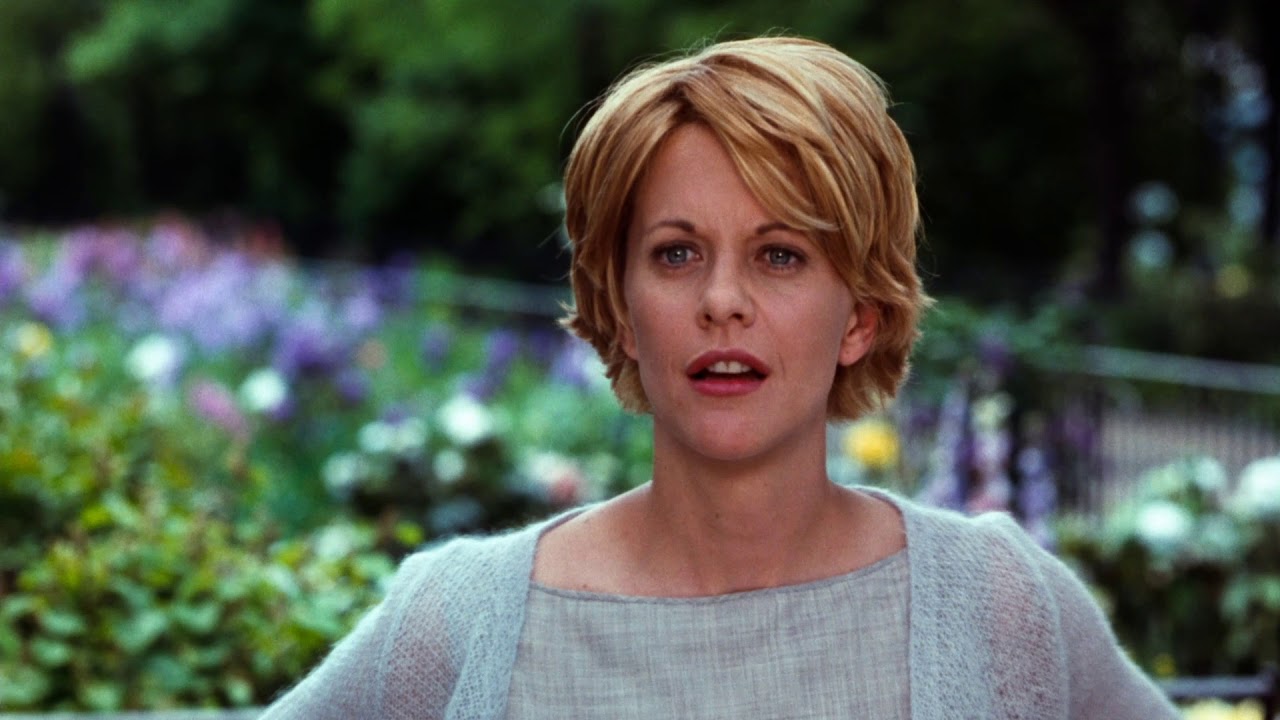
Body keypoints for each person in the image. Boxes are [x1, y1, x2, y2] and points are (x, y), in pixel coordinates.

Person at [260, 36, 1180, 719]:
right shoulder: (460, 623)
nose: (722, 301)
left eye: (780, 255)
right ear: (618, 305)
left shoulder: (996, 606)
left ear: (861, 315)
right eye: (676, 253)